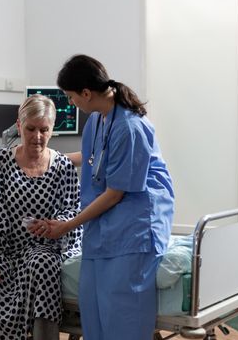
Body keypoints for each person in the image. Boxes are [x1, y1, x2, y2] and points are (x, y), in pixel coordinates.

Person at [36, 54, 175, 340]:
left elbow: (115, 193)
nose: (71, 103)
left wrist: (66, 225)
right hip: (103, 225)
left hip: (134, 226)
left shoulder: (129, 127)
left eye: (70, 97)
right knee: (94, 310)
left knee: (123, 316)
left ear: (86, 93)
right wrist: (50, 158)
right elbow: (91, 158)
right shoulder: (98, 121)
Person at [0, 94, 83, 340]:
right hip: (3, 253)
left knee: (42, 265)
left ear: (52, 130)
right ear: (19, 125)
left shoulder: (63, 168)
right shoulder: (1, 162)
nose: (38, 136)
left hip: (43, 250)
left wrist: (53, 226)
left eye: (44, 130)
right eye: (31, 129)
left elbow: (72, 213)